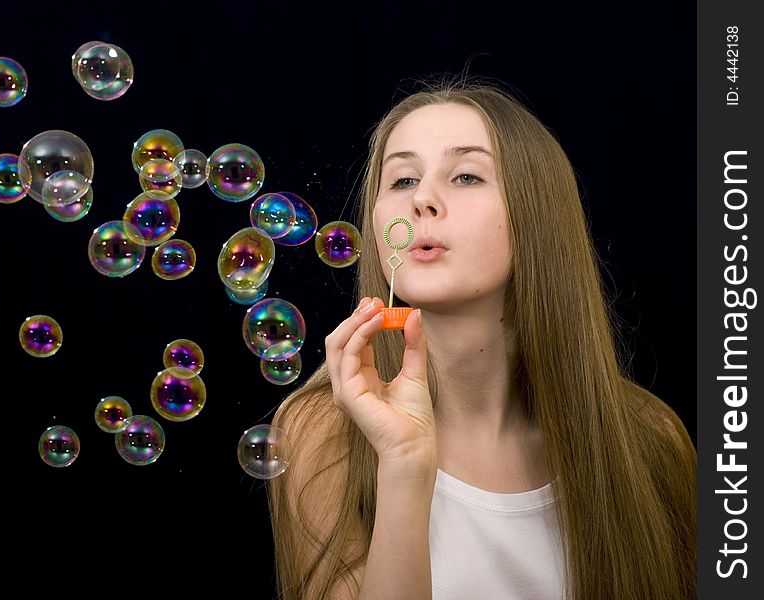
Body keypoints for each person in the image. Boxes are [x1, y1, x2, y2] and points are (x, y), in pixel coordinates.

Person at [267, 78, 696, 600]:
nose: (422, 199)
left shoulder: (651, 439)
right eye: (401, 180)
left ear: (536, 217)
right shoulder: (324, 432)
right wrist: (403, 463)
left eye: (466, 175)